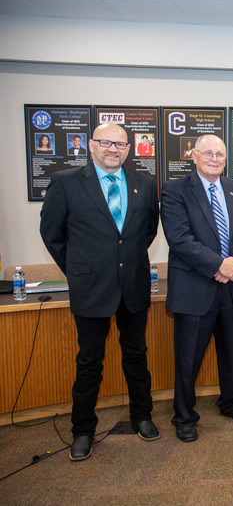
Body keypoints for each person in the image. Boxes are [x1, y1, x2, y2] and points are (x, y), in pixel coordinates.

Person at [40, 123, 160, 461]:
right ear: (91, 146)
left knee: (136, 356)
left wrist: (125, 262)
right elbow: (52, 234)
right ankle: (83, 430)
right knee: (89, 361)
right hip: (90, 287)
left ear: (128, 149)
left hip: (133, 285)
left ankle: (142, 416)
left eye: (121, 144)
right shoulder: (66, 182)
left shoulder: (145, 184)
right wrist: (78, 269)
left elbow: (147, 232)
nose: (113, 149)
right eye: (106, 142)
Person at [160, 134, 233, 442]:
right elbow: (179, 238)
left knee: (231, 352)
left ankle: (230, 401)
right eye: (208, 153)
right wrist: (219, 265)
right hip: (195, 287)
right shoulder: (175, 190)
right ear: (194, 156)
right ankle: (184, 415)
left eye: (220, 154)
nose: (215, 158)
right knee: (189, 358)